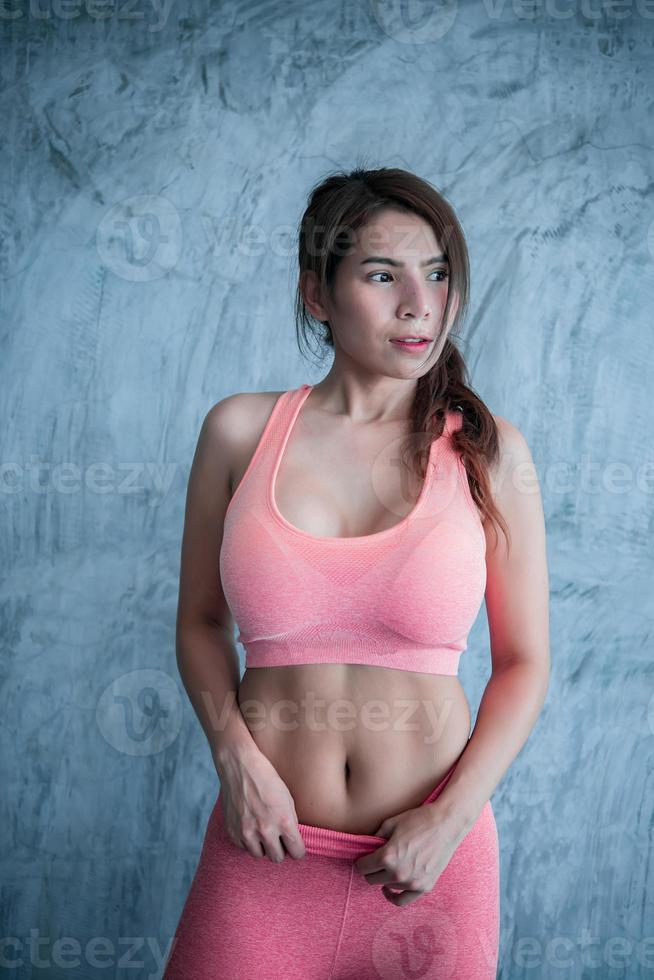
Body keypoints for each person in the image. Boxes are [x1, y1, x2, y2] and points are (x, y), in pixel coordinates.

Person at [162, 166, 551, 980]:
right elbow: (201, 623)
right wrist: (233, 760)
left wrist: (451, 819)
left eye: (437, 273)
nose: (421, 302)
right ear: (317, 295)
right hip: (263, 853)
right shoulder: (239, 431)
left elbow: (525, 664)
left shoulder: (490, 451)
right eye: (383, 275)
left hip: (427, 871)